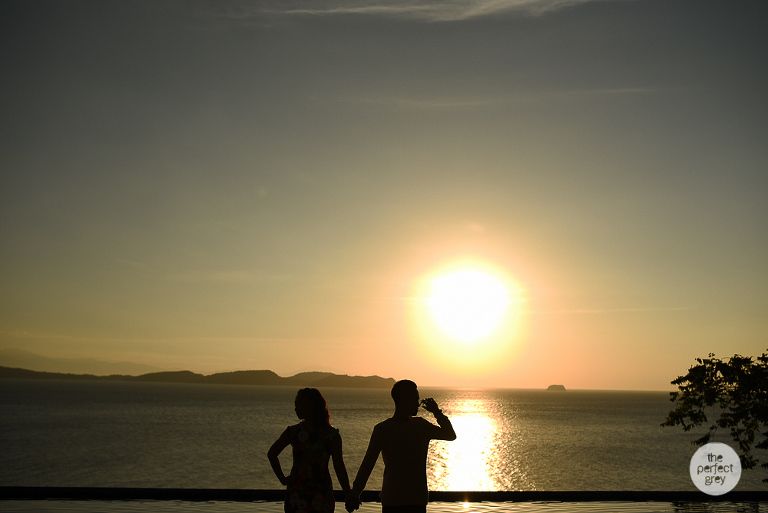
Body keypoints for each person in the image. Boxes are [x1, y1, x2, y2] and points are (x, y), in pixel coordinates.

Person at [345, 380, 456, 513]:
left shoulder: (419, 426)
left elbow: (450, 435)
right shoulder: (384, 429)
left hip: (412, 501)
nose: (418, 403)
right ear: (402, 400)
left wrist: (437, 412)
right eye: (415, 399)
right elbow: (368, 463)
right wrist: (355, 493)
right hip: (397, 501)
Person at [268, 388, 352, 513]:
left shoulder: (330, 435)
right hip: (299, 495)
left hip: (319, 495)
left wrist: (348, 495)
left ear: (311, 404)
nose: (295, 408)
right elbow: (272, 454)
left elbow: (339, 466)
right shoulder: (294, 432)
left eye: (299, 403)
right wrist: (283, 479)